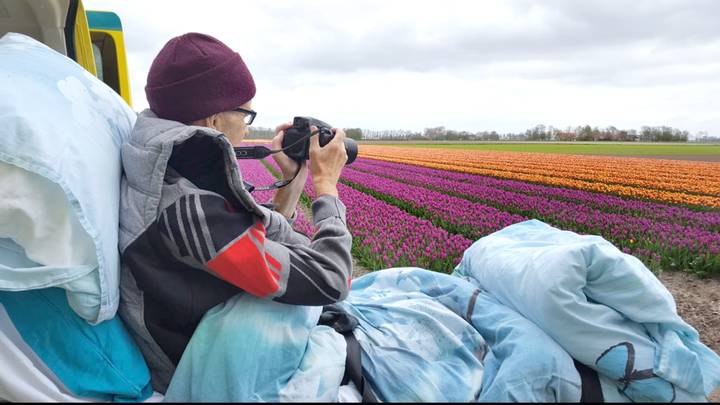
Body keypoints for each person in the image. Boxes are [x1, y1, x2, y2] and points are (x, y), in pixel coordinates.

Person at [117, 32, 353, 393]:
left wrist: (294, 176)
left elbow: (255, 238)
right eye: (246, 113)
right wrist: (327, 188)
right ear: (213, 120)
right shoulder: (190, 213)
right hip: (195, 363)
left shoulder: (172, 170)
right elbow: (332, 281)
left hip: (203, 327)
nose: (247, 125)